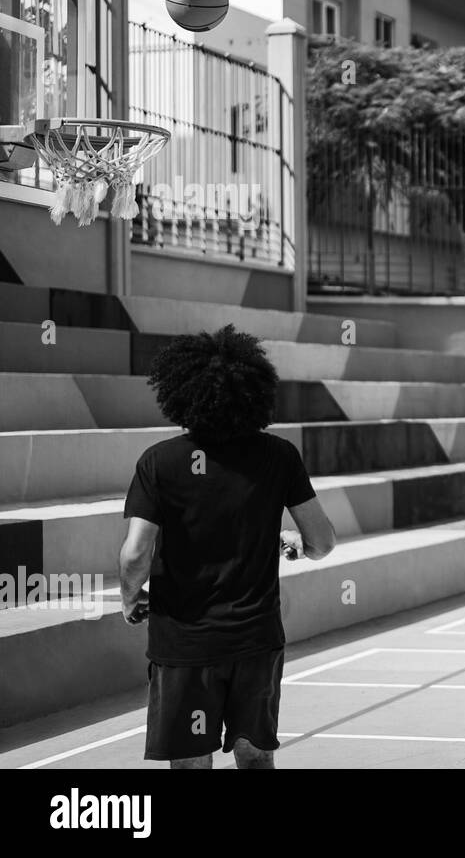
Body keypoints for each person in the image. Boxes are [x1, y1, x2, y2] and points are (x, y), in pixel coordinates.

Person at [118, 325, 338, 769]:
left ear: (179, 392)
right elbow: (322, 542)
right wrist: (298, 547)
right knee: (256, 759)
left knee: (191, 763)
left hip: (185, 642)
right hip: (255, 640)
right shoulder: (279, 456)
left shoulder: (159, 462)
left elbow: (135, 554)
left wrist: (130, 598)